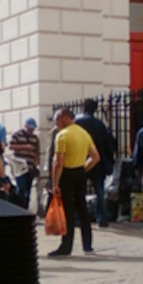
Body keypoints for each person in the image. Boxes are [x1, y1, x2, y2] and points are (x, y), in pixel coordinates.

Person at [49, 107, 100, 258]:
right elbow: (95, 157)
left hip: (67, 174)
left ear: (65, 118)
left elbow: (58, 162)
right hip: (80, 172)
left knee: (68, 212)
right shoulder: (84, 133)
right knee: (82, 208)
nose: (56, 122)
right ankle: (87, 245)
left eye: (57, 119)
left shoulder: (62, 136)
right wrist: (84, 168)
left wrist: (55, 183)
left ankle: (66, 246)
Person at [76, 99, 115, 227]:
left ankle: (80, 218)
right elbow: (108, 144)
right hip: (99, 162)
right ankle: (103, 218)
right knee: (100, 191)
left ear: (83, 108)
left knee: (80, 191)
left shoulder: (78, 123)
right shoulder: (100, 124)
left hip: (82, 160)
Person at [9, 117, 40, 208]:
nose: (31, 130)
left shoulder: (35, 138)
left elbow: (36, 151)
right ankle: (19, 207)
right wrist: (25, 147)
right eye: (30, 128)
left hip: (30, 167)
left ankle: (25, 208)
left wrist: (36, 162)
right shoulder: (17, 135)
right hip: (19, 167)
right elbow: (11, 146)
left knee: (28, 190)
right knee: (21, 188)